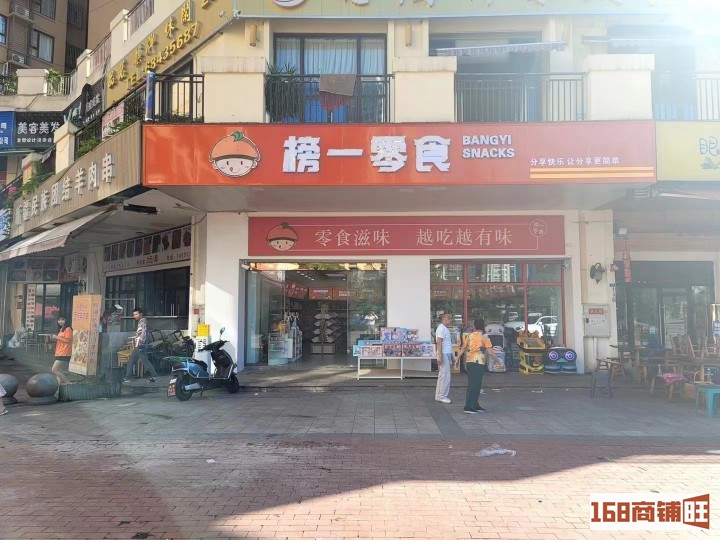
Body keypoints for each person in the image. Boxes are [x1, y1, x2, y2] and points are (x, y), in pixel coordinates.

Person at [457, 318, 500, 414]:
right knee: (475, 385)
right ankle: (469, 407)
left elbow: (463, 348)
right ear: (483, 326)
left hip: (469, 362)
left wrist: (457, 359)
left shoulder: (470, 335)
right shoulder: (484, 337)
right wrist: (498, 361)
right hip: (478, 362)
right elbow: (490, 352)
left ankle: (474, 404)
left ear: (475, 326)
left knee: (474, 384)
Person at [124, 308, 159, 383]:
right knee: (133, 361)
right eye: (134, 314)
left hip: (140, 345)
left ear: (141, 314)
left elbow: (142, 335)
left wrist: (138, 344)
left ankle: (128, 377)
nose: (135, 316)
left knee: (141, 361)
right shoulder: (144, 322)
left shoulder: (142, 323)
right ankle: (128, 377)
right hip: (141, 345)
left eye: (136, 314)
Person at [435, 313, 454, 404]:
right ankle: (442, 396)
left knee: (443, 375)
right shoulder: (441, 328)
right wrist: (440, 355)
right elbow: (439, 342)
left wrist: (452, 357)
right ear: (444, 319)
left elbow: (447, 344)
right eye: (449, 319)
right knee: (445, 376)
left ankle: (439, 395)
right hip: (443, 353)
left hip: (446, 353)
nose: (450, 321)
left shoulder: (445, 329)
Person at [50, 316, 73, 385]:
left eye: (62, 320)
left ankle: (67, 382)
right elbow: (61, 340)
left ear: (66, 320)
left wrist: (57, 337)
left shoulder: (68, 329)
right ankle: (59, 386)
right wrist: (54, 338)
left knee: (54, 370)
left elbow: (68, 340)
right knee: (59, 370)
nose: (60, 321)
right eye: (59, 320)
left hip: (64, 352)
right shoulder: (61, 329)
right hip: (60, 352)